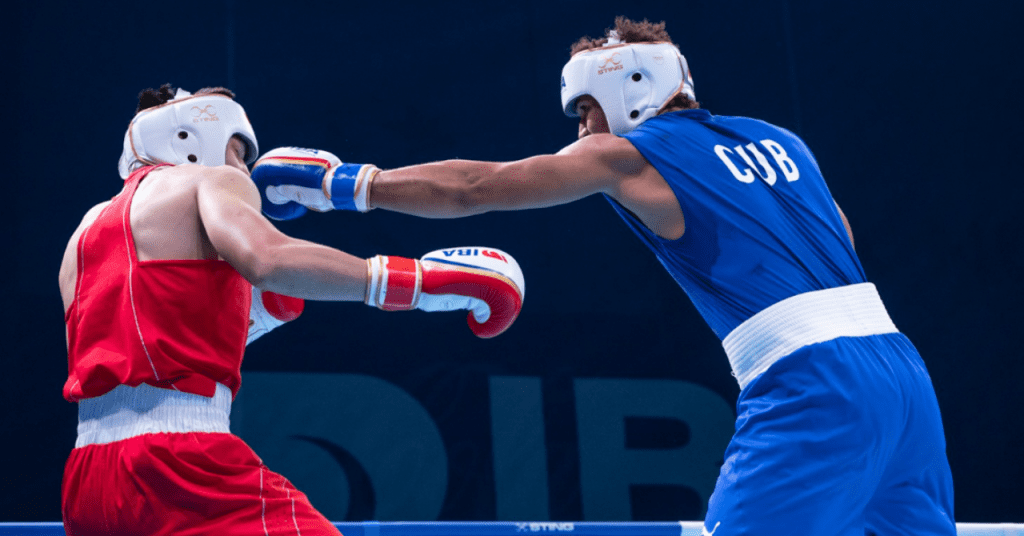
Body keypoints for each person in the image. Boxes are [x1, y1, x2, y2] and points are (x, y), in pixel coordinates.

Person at [251, 17, 956, 536]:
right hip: (904, 376)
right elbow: (842, 238)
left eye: (586, 111)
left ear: (631, 94)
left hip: (812, 382)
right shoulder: (782, 140)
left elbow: (478, 186)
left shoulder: (631, 154)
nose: (584, 131)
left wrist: (346, 185)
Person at [58, 84, 525, 535]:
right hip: (181, 462)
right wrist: (419, 283)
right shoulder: (205, 179)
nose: (243, 169)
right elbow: (269, 260)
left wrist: (253, 315)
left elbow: (140, 344)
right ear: (190, 142)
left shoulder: (81, 236)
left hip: (88, 478)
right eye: (239, 152)